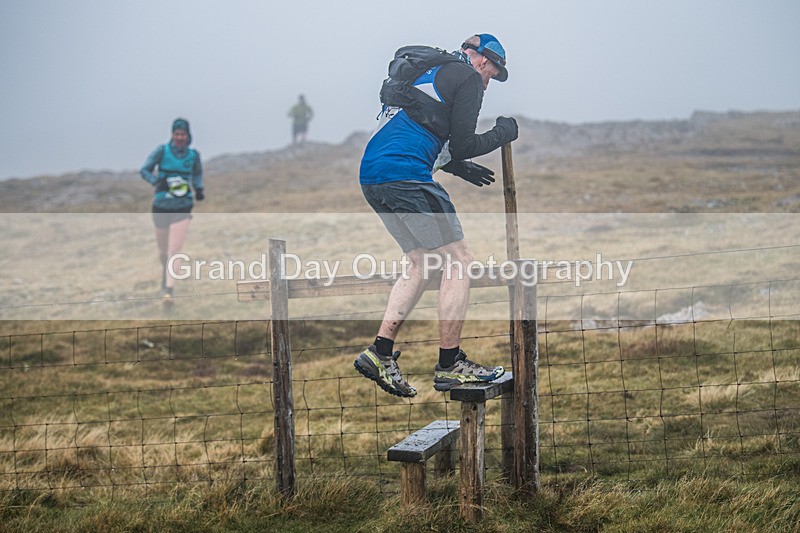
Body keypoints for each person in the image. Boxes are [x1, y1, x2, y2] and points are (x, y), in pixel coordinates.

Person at [354, 34, 519, 397]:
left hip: (373, 174)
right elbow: (463, 143)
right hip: (406, 173)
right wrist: (503, 132)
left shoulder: (431, 73)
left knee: (421, 261)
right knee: (459, 260)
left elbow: (431, 133)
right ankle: (451, 364)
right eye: (489, 65)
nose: (489, 76)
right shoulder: (467, 77)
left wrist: (459, 167)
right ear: (473, 54)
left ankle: (380, 353)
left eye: (494, 71)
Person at [140, 118, 204, 304]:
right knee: (163, 251)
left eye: (183, 134)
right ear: (172, 134)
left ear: (188, 135)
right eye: (177, 134)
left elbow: (198, 174)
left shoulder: (194, 155)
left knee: (174, 250)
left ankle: (169, 291)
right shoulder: (162, 151)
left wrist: (198, 189)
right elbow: (144, 170)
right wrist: (155, 181)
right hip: (161, 205)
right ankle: (165, 273)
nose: (180, 138)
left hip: (183, 206)